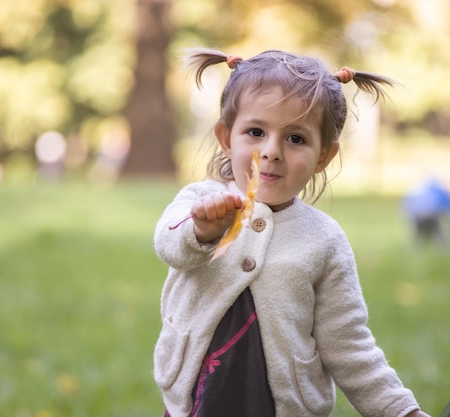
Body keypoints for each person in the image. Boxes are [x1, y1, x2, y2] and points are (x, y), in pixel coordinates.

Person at [153, 48, 431, 417]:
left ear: (323, 157)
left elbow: (348, 346)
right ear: (226, 137)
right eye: (255, 132)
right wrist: (201, 231)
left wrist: (402, 411)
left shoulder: (324, 241)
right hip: (197, 400)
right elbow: (170, 246)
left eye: (295, 139)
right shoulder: (200, 202)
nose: (271, 151)